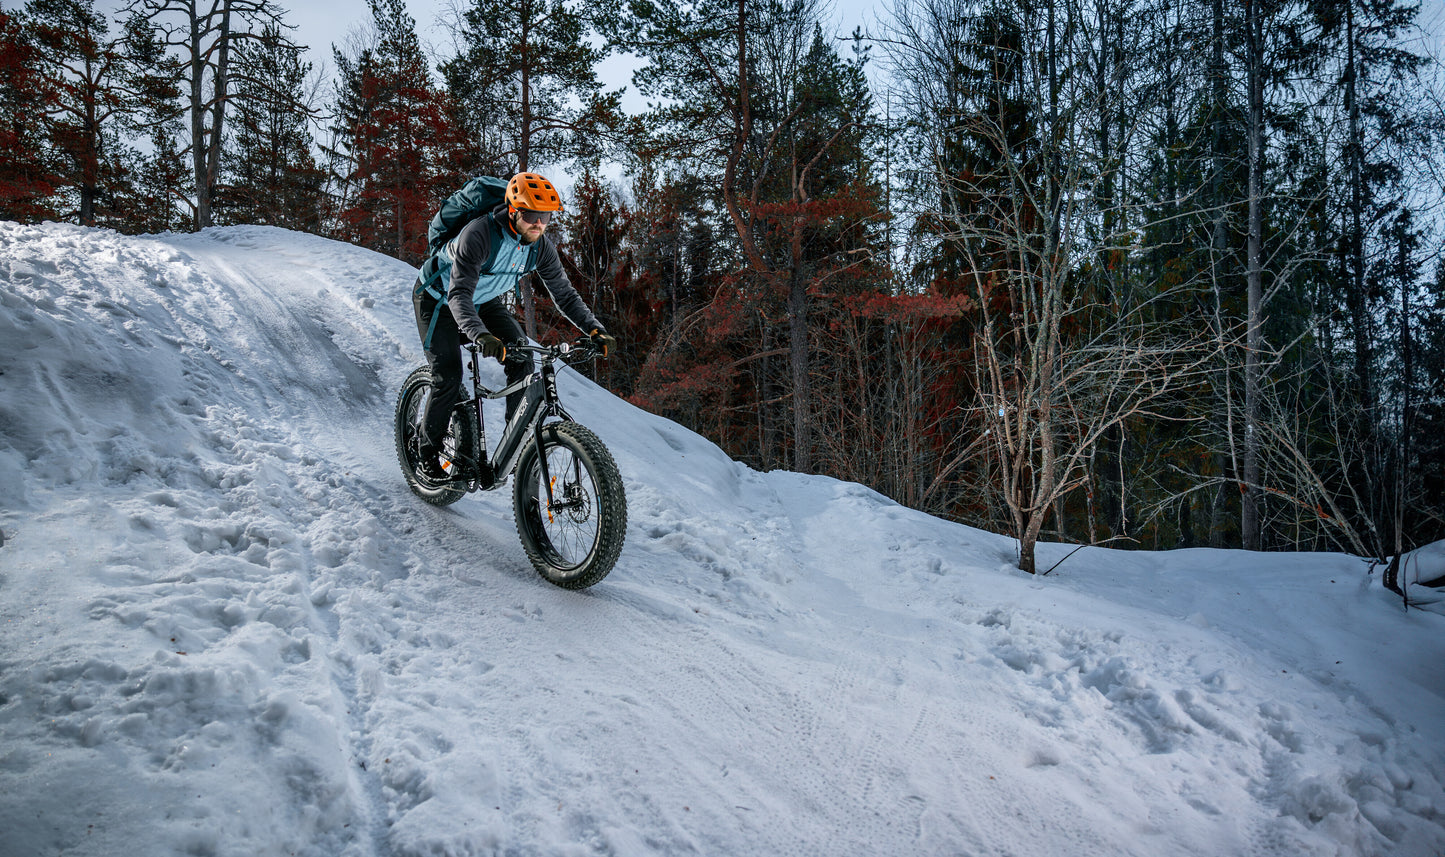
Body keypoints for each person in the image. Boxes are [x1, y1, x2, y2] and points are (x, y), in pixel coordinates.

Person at [411, 171, 615, 482]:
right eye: (532, 214)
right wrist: (481, 334)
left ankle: (515, 444)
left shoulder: (540, 246)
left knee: (522, 357)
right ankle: (426, 454)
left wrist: (594, 329)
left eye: (546, 216)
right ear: (513, 210)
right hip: (438, 299)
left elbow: (563, 293)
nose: (539, 224)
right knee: (448, 374)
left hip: (484, 301)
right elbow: (459, 294)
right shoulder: (479, 234)